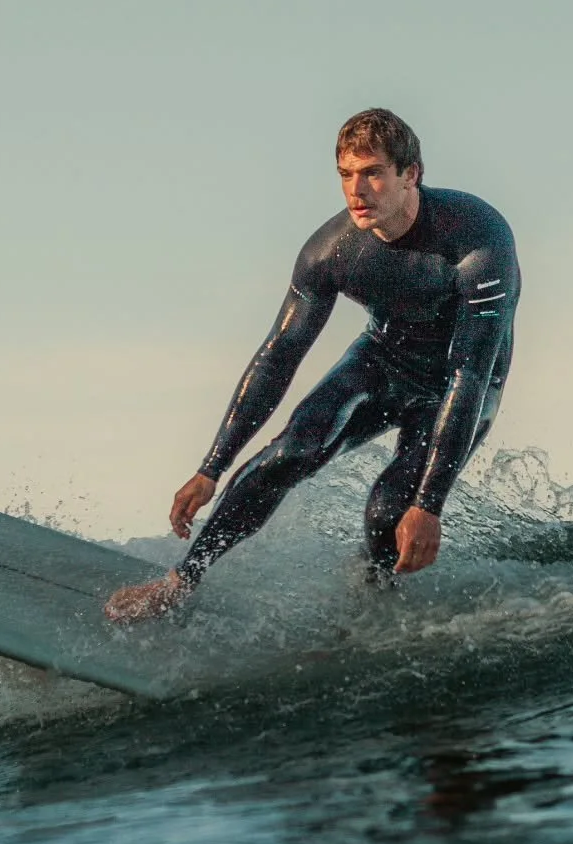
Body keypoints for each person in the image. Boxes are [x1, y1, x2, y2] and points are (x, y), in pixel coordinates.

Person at [105, 108, 519, 624]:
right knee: (288, 452)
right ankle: (180, 582)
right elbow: (279, 355)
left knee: (387, 511)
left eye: (372, 173)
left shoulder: (478, 238)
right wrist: (212, 467)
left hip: (465, 383)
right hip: (384, 359)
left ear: (411, 173)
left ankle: (376, 605)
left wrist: (429, 506)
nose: (356, 191)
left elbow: (469, 374)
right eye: (346, 174)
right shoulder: (330, 253)